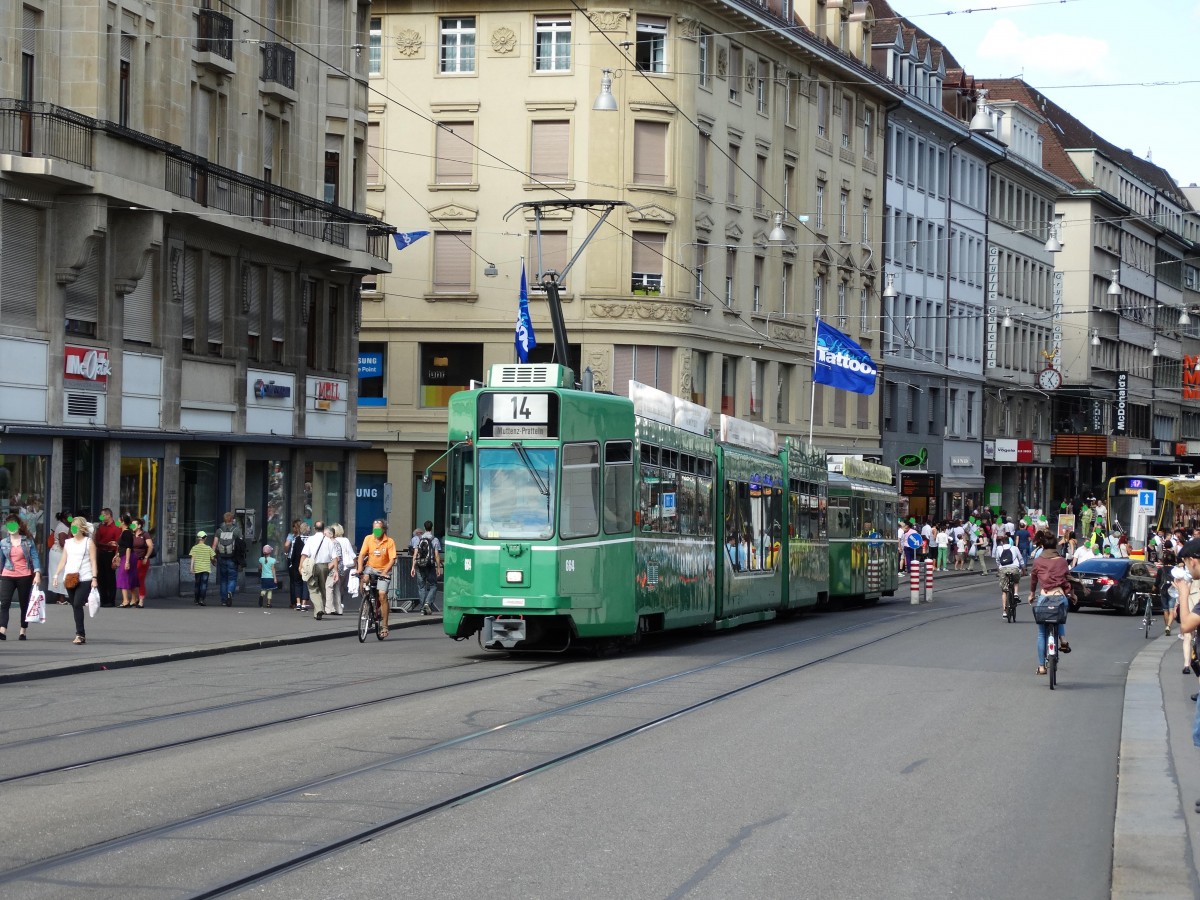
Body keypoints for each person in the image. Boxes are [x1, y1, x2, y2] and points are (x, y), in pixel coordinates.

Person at [1028, 531, 1073, 676]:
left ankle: (1041, 667)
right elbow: (1068, 578)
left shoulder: (1038, 561)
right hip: (1060, 596)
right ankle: (1063, 639)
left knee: (1042, 633)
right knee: (1058, 616)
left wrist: (1032, 594)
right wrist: (1072, 594)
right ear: (1055, 546)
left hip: (1044, 598)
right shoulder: (1062, 561)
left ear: (1043, 546)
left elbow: (1033, 580)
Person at [51, 516, 98, 645]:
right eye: (72, 528)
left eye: (76, 527)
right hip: (70, 577)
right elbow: (63, 560)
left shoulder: (89, 542)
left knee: (77, 603)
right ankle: (80, 632)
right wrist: (56, 575)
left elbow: (93, 561)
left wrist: (94, 578)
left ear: (82, 528)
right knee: (74, 606)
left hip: (85, 577)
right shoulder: (68, 543)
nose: (73, 530)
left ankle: (80, 634)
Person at [0, 512, 41, 641]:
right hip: (7, 575)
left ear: (18, 526)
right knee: (4, 603)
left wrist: (37, 573)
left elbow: (35, 557)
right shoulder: (3, 542)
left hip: (24, 575)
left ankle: (23, 630)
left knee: (24, 604)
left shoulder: (27, 541)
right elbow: (1, 561)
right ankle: (2, 630)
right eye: (9, 526)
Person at [357, 519, 397, 638]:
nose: (376, 531)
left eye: (378, 529)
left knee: (382, 595)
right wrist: (360, 568)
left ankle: (384, 626)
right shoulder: (368, 538)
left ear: (384, 529)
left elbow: (392, 559)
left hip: (384, 570)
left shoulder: (389, 542)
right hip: (371, 568)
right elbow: (362, 555)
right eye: (374, 529)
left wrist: (385, 572)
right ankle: (366, 603)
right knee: (364, 579)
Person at [300, 521, 336, 619]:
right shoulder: (328, 540)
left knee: (313, 588)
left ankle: (319, 609)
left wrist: (300, 566)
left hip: (312, 566)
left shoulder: (310, 539)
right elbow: (335, 557)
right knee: (322, 588)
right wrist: (335, 570)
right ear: (324, 529)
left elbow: (304, 554)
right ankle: (319, 610)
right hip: (324, 566)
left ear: (314, 528)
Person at [410, 520, 442, 615]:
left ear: (424, 528)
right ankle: (427, 603)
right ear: (432, 528)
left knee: (421, 587)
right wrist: (438, 567)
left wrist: (413, 567)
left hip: (419, 566)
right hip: (430, 566)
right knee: (433, 585)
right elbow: (436, 555)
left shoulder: (418, 539)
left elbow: (415, 554)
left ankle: (422, 608)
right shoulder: (435, 540)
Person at [213, 511, 243, 607]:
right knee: (232, 578)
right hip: (233, 558)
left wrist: (213, 557)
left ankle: (223, 600)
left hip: (221, 557)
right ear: (232, 519)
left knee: (223, 580)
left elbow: (214, 545)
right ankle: (230, 592)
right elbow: (241, 545)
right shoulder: (237, 530)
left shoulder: (219, 531)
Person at [94, 507, 121, 607]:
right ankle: (103, 599)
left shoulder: (116, 527)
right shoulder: (101, 527)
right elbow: (97, 541)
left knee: (110, 577)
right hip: (101, 552)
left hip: (111, 553)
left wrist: (116, 556)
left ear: (109, 515)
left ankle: (111, 600)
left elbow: (118, 543)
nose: (101, 517)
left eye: (103, 515)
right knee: (101, 577)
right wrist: (104, 544)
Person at [994, 534, 1024, 618]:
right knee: (1016, 581)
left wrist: (999, 569)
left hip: (1003, 569)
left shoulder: (999, 548)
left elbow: (997, 560)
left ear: (1002, 542)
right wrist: (1024, 569)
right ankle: (1016, 594)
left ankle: (1004, 611)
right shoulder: (1015, 548)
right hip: (1014, 568)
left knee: (1004, 591)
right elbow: (1020, 559)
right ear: (1010, 542)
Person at [330, 524, 357, 616]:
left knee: (331, 585)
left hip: (331, 565)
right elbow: (352, 553)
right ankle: (339, 604)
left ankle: (332, 605)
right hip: (344, 566)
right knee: (340, 586)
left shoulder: (330, 540)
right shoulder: (345, 540)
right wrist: (356, 565)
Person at [285, 520, 309, 611]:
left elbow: (290, 549)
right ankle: (303, 603)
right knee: (305, 583)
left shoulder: (295, 538)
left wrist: (289, 558)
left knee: (296, 583)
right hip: (307, 562)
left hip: (296, 563)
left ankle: (297, 603)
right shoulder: (311, 539)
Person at [115, 514, 138, 608]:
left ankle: (126, 600)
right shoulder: (124, 532)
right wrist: (117, 555)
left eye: (119, 521)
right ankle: (133, 599)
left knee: (123, 577)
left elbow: (128, 547)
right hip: (125, 556)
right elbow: (123, 546)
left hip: (128, 557)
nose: (117, 523)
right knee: (130, 577)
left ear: (123, 522)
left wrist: (127, 561)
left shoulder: (127, 533)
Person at [189, 530, 216, 606]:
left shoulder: (194, 548)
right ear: (205, 538)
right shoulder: (208, 548)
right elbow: (213, 558)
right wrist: (214, 561)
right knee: (204, 584)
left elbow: (193, 558)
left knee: (197, 584)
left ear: (198, 538)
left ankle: (196, 599)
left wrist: (191, 568)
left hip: (197, 569)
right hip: (206, 569)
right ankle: (201, 599)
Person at [1158, 549, 1179, 637]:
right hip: (1172, 589)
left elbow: (1157, 582)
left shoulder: (1161, 570)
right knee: (1171, 609)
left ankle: (1166, 626)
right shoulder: (1176, 570)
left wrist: (1154, 589)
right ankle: (1169, 626)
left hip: (1163, 589)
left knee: (1165, 610)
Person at [133, 519, 153, 604]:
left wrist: (146, 557)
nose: (132, 526)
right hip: (132, 560)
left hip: (141, 560)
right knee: (133, 579)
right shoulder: (132, 534)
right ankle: (135, 598)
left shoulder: (145, 534)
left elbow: (150, 546)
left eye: (134, 524)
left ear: (139, 526)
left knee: (140, 579)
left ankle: (141, 600)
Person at [46, 530, 68, 605]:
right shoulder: (62, 528)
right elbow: (62, 543)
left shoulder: (64, 527)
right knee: (61, 575)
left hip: (56, 552)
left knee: (59, 575)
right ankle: (61, 598)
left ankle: (59, 597)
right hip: (59, 553)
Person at [258, 544, 277, 609]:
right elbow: (273, 569)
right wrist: (275, 578)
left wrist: (261, 570)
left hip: (263, 577)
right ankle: (268, 604)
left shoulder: (261, 559)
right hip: (270, 578)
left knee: (264, 589)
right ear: (270, 552)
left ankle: (262, 595)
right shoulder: (273, 560)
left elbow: (259, 568)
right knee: (270, 590)